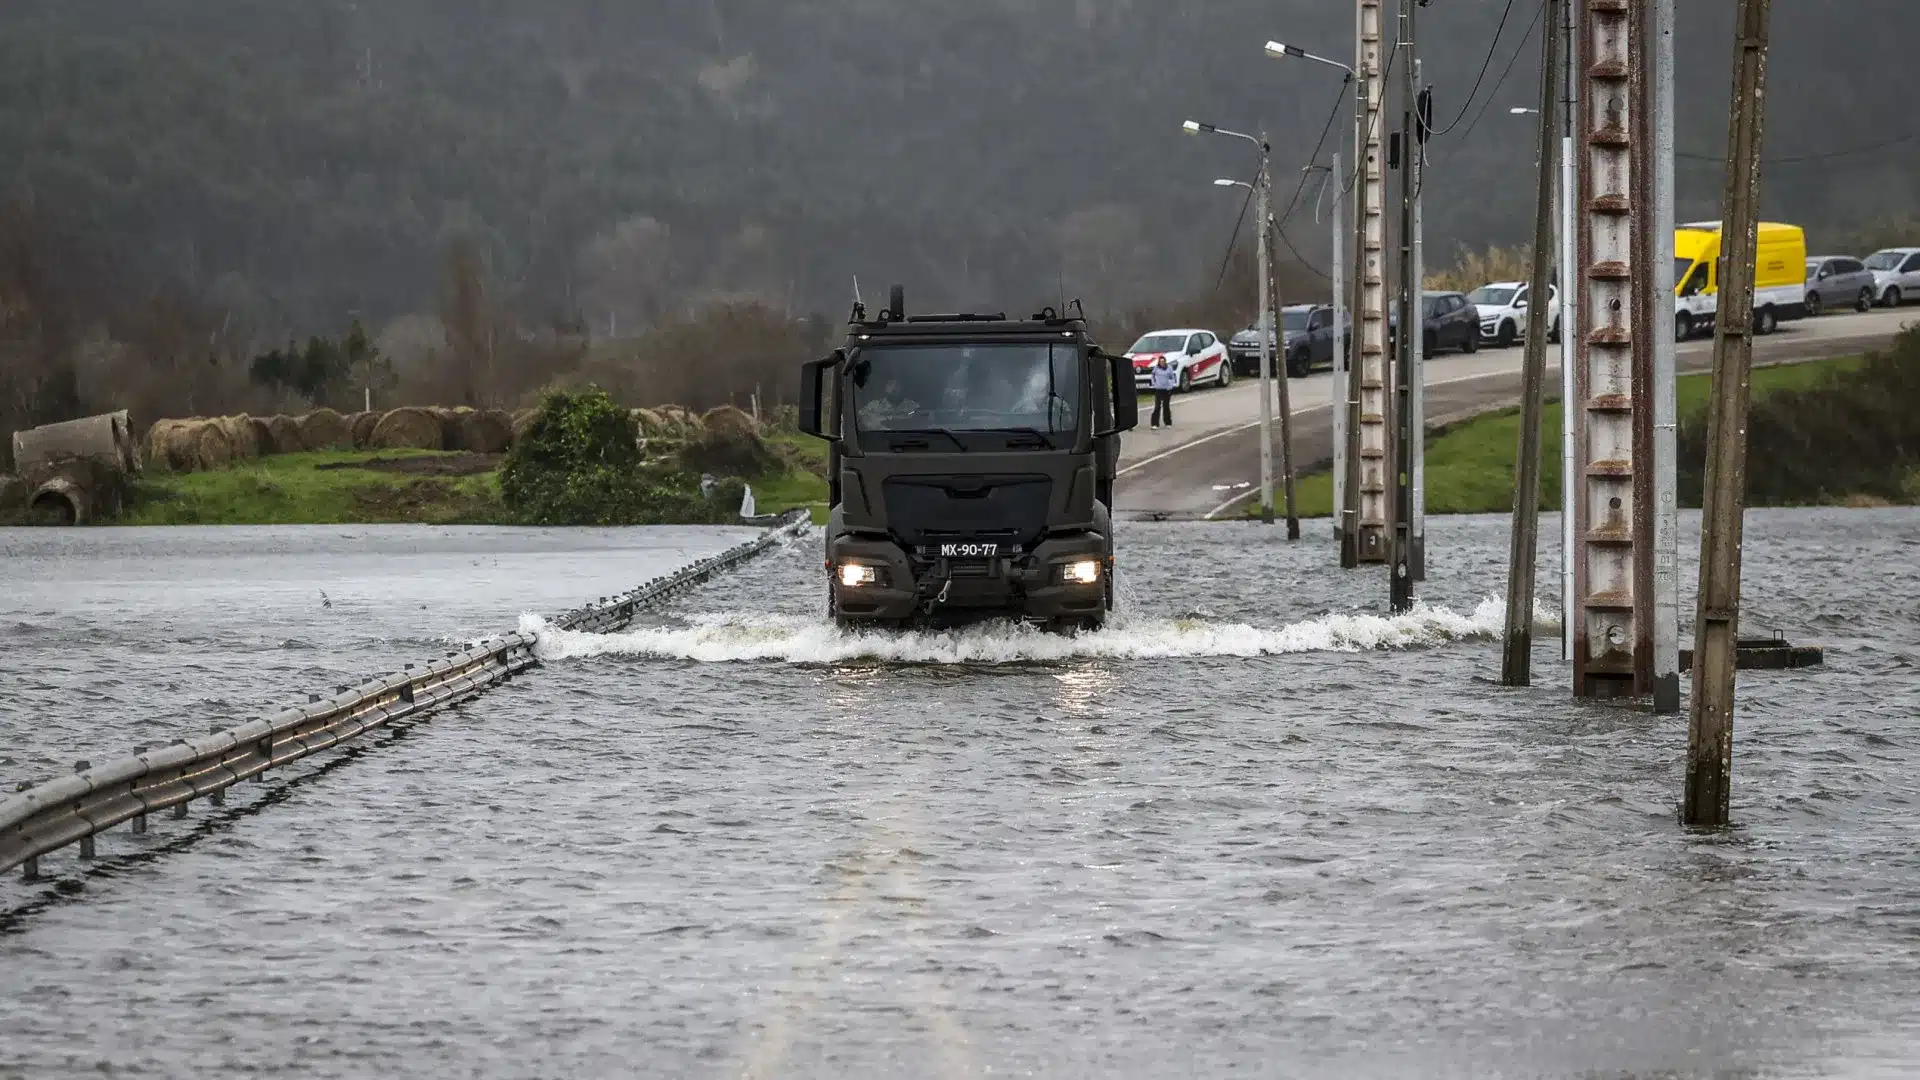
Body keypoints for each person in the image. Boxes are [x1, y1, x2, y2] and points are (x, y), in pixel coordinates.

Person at [1149, 355, 1179, 428]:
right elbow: (1152, 376)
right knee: (1157, 406)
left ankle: (1168, 423)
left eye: (1163, 361)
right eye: (1160, 361)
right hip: (1158, 389)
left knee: (1166, 406)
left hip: (1167, 389)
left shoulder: (1169, 368)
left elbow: (1172, 377)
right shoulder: (1156, 368)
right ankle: (1155, 424)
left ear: (1165, 362)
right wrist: (1154, 383)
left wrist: (1170, 385)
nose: (1162, 363)